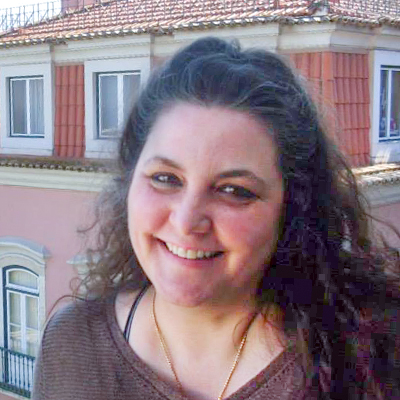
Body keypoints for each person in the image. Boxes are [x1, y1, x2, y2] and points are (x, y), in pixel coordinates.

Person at [32, 37, 400, 400]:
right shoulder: (72, 346)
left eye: (235, 190)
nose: (187, 221)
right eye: (165, 179)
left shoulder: (372, 357)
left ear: (292, 208)